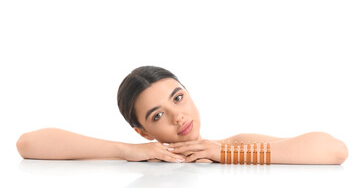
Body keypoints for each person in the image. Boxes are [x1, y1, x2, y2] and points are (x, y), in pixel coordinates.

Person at [16, 66, 348, 164]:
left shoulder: (232, 146)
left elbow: (334, 150)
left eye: (178, 98)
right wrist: (127, 151)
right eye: (158, 115)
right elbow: (28, 144)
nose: (179, 116)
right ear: (143, 131)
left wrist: (227, 153)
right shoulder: (143, 153)